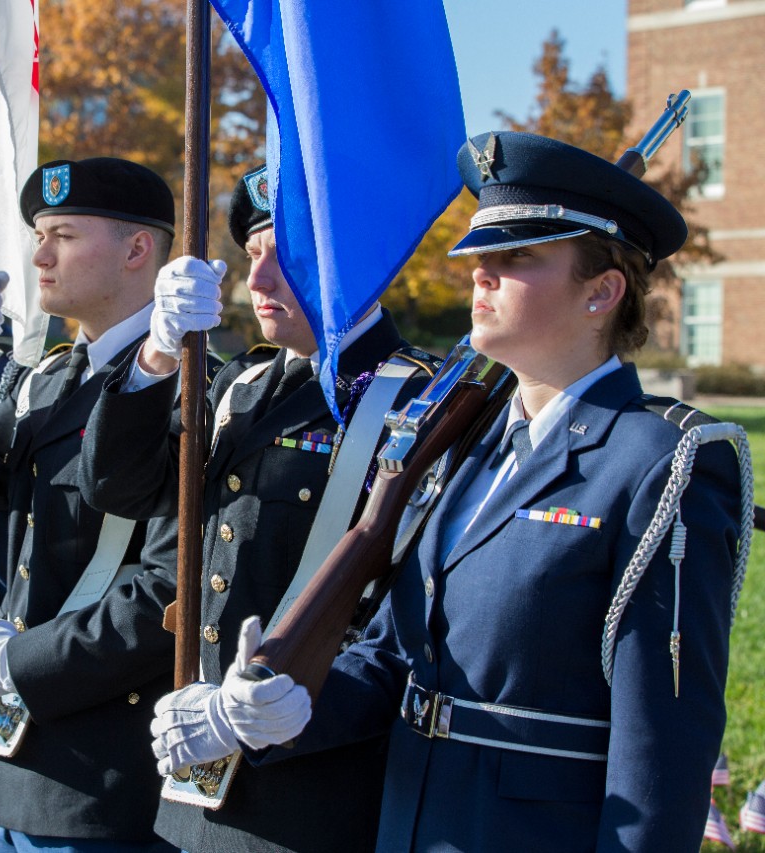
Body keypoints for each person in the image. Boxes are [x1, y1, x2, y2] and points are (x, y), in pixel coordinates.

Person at [222, 131, 749, 852]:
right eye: (479, 258)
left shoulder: (661, 461)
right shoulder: (463, 446)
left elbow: (662, 748)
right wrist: (290, 707)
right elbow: (394, 656)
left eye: (517, 258)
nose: (481, 276)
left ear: (602, 290)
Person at [82, 164, 436, 853]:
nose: (259, 282)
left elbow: (406, 629)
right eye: (252, 255)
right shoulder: (244, 387)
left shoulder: (419, 404)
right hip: (196, 789)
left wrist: (277, 709)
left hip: (311, 800)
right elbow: (120, 487)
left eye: (289, 256)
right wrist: (156, 355)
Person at [0, 157, 213, 852]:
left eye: (64, 234)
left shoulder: (197, 389)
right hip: (0, 762)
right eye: (39, 233)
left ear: (138, 250)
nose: (39, 253)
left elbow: (168, 590)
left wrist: (22, 663)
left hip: (96, 773)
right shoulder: (48, 381)